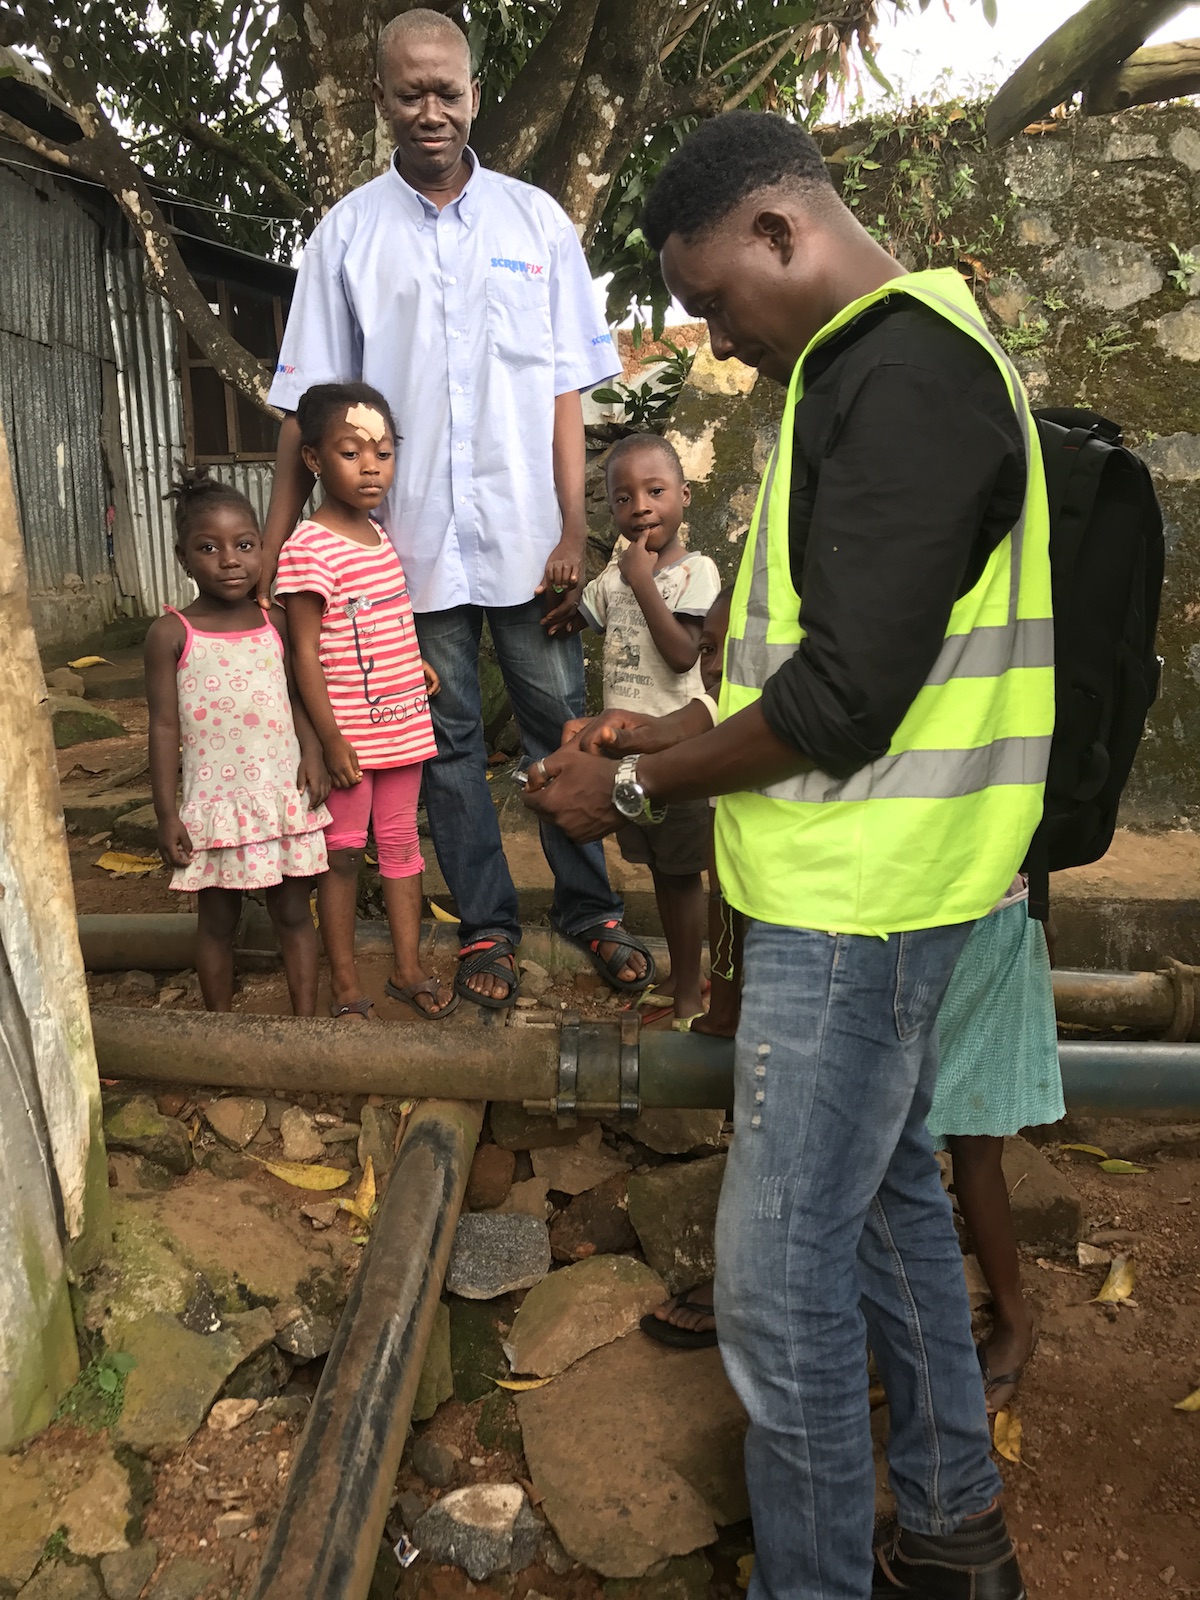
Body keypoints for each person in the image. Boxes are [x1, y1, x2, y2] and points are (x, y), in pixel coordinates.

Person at [525, 110, 1054, 1600]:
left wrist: (635, 804)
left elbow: (846, 699)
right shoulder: (874, 364)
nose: (713, 337)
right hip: (864, 888)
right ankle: (954, 1537)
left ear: (782, 234)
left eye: (710, 300)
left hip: (863, 908)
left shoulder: (906, 373)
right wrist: (654, 734)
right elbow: (809, 663)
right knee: (886, 1214)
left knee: (775, 1291)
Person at [258, 7, 654, 1010]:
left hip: (534, 551)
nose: (430, 110)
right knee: (446, 750)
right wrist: (274, 546)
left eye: (447, 91)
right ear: (383, 99)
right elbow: (306, 412)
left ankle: (591, 912)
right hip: (406, 563)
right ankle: (486, 930)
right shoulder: (346, 237)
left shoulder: (536, 224)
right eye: (409, 93)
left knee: (565, 725)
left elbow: (568, 390)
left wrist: (576, 530)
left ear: (474, 95)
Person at [273, 382, 456, 1022]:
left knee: (403, 843)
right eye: (352, 451)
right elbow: (303, 654)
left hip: (403, 723)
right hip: (349, 730)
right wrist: (329, 741)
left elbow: (381, 620)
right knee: (345, 851)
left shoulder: (379, 536)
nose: (371, 465)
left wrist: (416, 661)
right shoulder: (307, 549)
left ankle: (407, 969)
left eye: (383, 451)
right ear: (316, 461)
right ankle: (346, 983)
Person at [144, 471, 331, 1015]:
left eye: (244, 545)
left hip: (280, 798)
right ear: (183, 559)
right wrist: (166, 813)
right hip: (216, 808)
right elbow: (162, 727)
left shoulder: (274, 618)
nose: (230, 560)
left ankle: (305, 1027)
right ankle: (222, 1030)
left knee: (294, 915)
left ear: (261, 549)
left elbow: (297, 694)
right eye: (209, 548)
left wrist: (314, 755)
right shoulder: (171, 634)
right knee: (218, 922)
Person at [578, 435, 720, 1026]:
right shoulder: (615, 576)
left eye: (655, 492)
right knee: (662, 870)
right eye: (623, 498)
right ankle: (682, 980)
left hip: (677, 753)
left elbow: (685, 654)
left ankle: (693, 993)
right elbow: (581, 611)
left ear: (684, 497)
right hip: (628, 758)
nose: (640, 507)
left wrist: (640, 579)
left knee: (688, 874)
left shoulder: (695, 572)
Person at [929, 877, 1063, 1414]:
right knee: (883, 1134)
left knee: (976, 1147)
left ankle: (1013, 1319)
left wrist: (1040, 902)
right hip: (890, 918)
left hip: (987, 918)